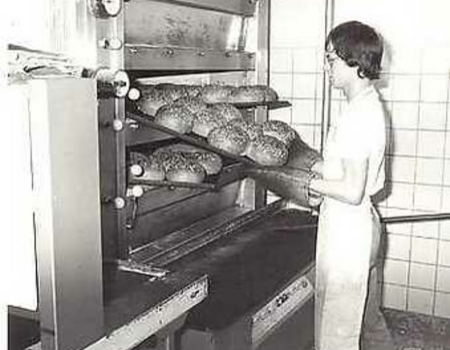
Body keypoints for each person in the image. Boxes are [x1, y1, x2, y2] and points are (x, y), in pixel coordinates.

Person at [307, 21, 394, 350]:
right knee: (368, 318)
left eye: (331, 59)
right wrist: (315, 166)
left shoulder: (358, 117)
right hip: (358, 225)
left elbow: (352, 189)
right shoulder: (366, 105)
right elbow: (346, 169)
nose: (327, 66)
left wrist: (310, 182)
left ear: (354, 62)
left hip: (349, 233)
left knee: (338, 329)